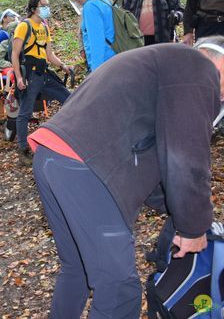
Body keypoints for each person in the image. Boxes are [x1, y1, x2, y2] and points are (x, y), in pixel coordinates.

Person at [29, 39, 221, 317]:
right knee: (119, 290)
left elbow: (157, 152)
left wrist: (175, 211)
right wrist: (193, 228)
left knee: (78, 269)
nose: (220, 97)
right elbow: (185, 153)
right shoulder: (198, 67)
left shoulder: (163, 63)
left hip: (54, 156)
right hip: (85, 167)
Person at [11, 0, 72, 167]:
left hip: (44, 74)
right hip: (30, 75)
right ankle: (23, 150)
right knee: (25, 112)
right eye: (43, 5)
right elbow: (14, 54)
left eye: (47, 5)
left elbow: (49, 54)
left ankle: (66, 139)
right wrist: (19, 78)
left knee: (69, 99)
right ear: (33, 9)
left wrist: (63, 66)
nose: (47, 8)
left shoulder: (44, 27)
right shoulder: (24, 26)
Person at [65, 0, 116, 71]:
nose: (74, 0)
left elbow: (97, 42)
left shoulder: (90, 7)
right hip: (116, 57)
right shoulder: (106, 0)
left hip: (105, 63)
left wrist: (96, 71)